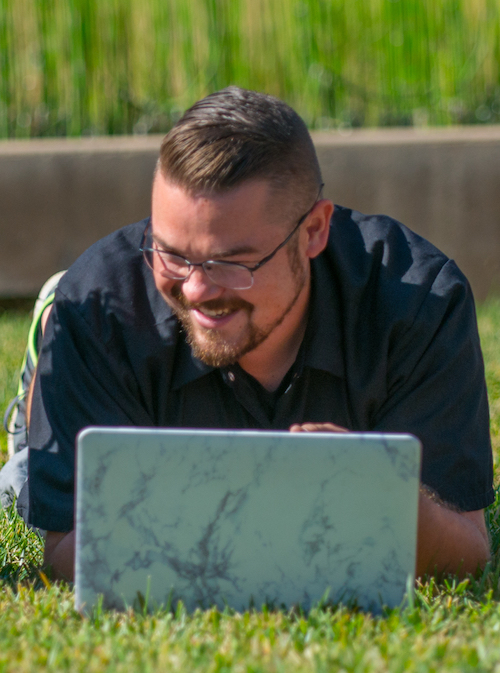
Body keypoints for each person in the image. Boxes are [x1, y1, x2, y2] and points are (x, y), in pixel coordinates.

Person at [9, 86, 494, 583]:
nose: (197, 289)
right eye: (172, 252)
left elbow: (468, 551)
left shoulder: (420, 304)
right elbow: (67, 552)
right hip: (82, 340)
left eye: (232, 262)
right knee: (20, 478)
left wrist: (381, 494)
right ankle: (43, 351)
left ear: (313, 232)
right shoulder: (99, 309)